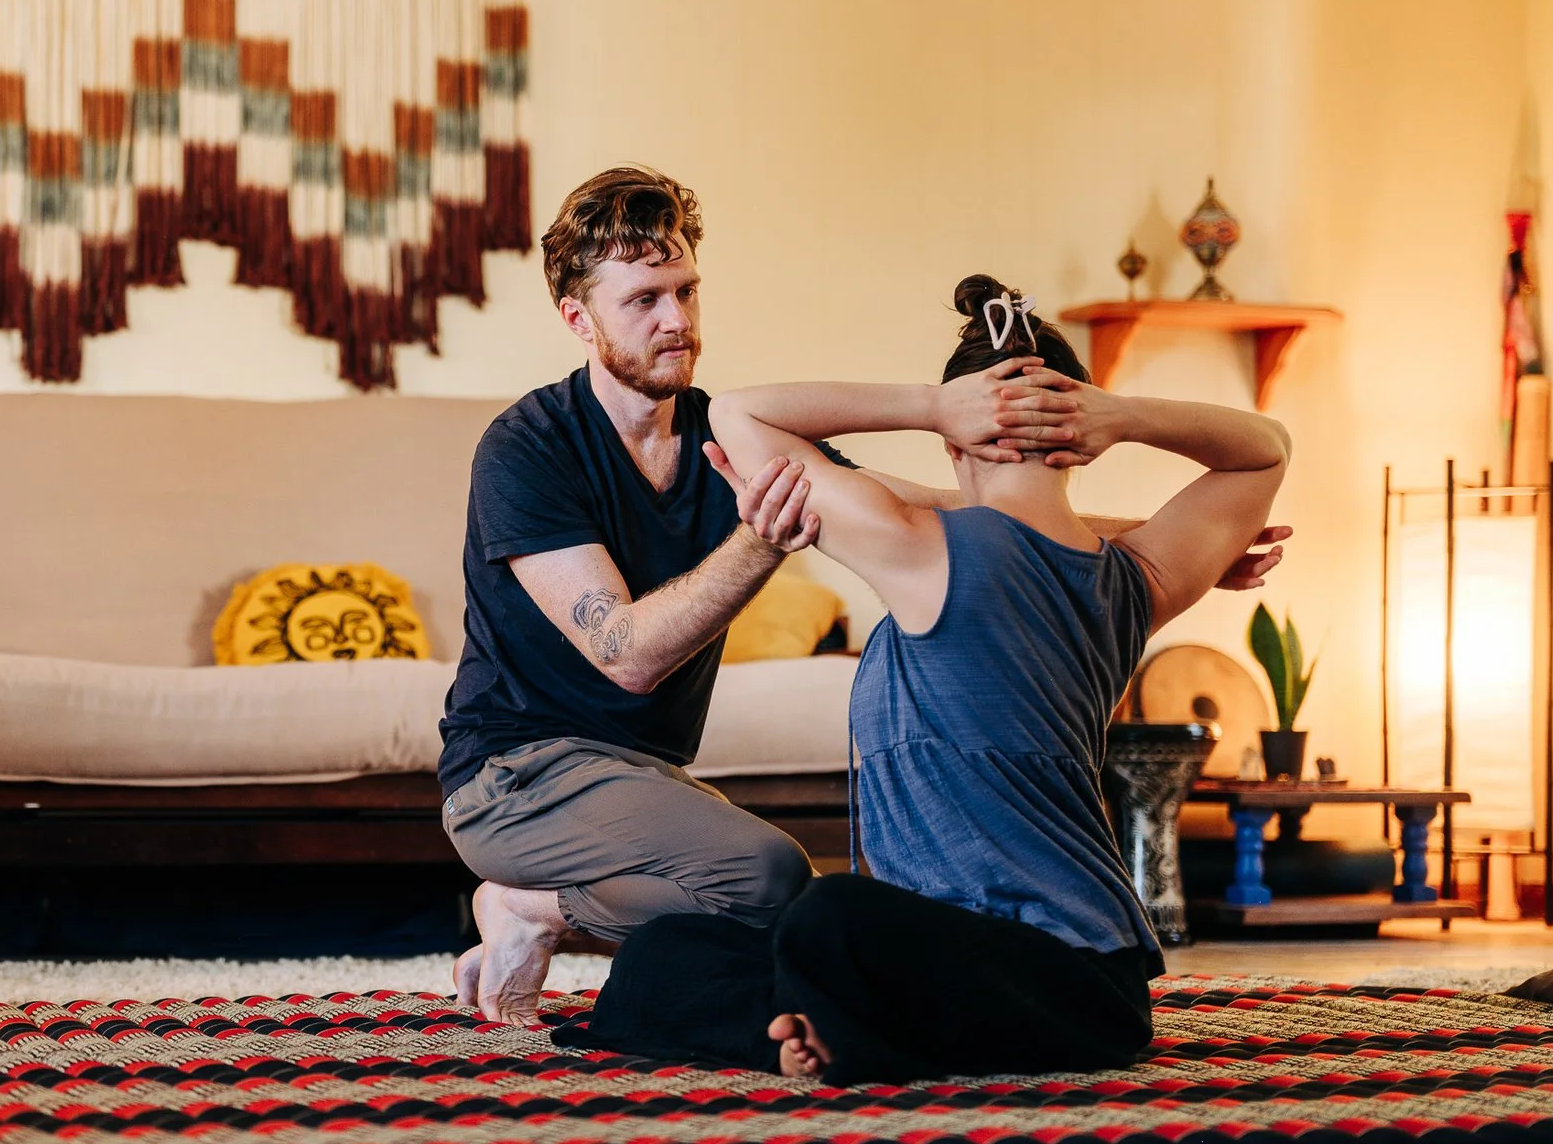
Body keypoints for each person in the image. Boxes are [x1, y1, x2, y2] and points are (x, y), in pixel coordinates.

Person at [439, 172, 1283, 1027]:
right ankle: (527, 905)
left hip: (646, 776)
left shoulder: (716, 435)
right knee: (773, 881)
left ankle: (549, 919)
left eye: (687, 290)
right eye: (644, 299)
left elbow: (950, 506)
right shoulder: (526, 447)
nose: (679, 320)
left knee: (765, 921)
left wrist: (1178, 541)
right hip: (516, 772)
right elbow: (626, 653)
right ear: (578, 319)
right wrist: (917, 420)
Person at [568, 274, 1292, 1084]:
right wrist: (1123, 417)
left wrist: (931, 403)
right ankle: (811, 1035)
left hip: (1049, 981)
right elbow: (1266, 447)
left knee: (825, 916)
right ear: (1077, 439)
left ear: (957, 440)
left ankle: (836, 1028)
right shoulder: (1137, 575)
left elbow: (736, 413)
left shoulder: (926, 547)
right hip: (1072, 989)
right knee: (669, 948)